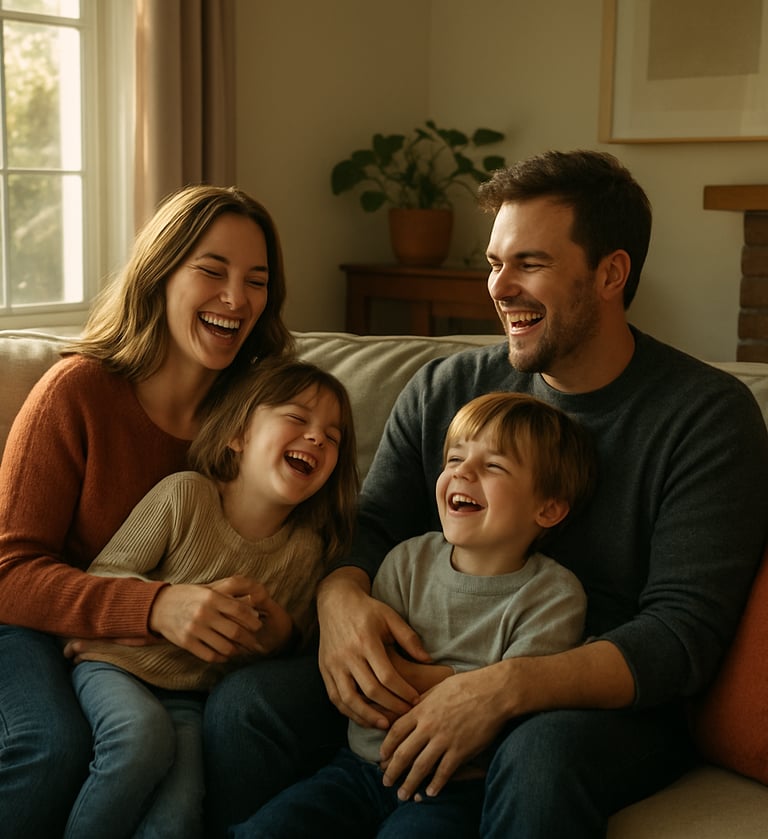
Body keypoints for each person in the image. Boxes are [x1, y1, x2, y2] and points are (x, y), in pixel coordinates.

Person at [206, 150, 768, 838]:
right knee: (246, 705)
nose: (500, 287)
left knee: (540, 755)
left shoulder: (705, 416)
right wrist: (341, 601)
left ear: (610, 273)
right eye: (495, 263)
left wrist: (502, 689)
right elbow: (372, 525)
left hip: (600, 700)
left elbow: (681, 636)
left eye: (530, 263)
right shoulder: (446, 388)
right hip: (422, 660)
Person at [0, 184, 296, 838]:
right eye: (212, 271)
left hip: (160, 659)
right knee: (53, 748)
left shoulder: (258, 418)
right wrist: (155, 606)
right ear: (159, 274)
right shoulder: (75, 391)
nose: (236, 298)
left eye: (257, 280)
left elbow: (308, 537)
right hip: (29, 627)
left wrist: (287, 623)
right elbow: (8, 572)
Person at [229, 392, 595, 838]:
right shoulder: (406, 561)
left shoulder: (553, 596)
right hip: (360, 769)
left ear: (549, 508)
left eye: (494, 466)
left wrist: (422, 678)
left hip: (456, 787)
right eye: (455, 458)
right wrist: (458, 679)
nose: (463, 471)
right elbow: (369, 666)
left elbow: (513, 698)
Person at [63, 359, 359, 839]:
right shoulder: (184, 496)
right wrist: (169, 603)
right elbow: (105, 576)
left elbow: (299, 642)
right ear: (238, 435)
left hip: (191, 701)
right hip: (116, 667)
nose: (317, 438)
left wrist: (279, 633)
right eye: (297, 418)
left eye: (334, 436)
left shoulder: (306, 551)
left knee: (177, 818)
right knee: (140, 740)